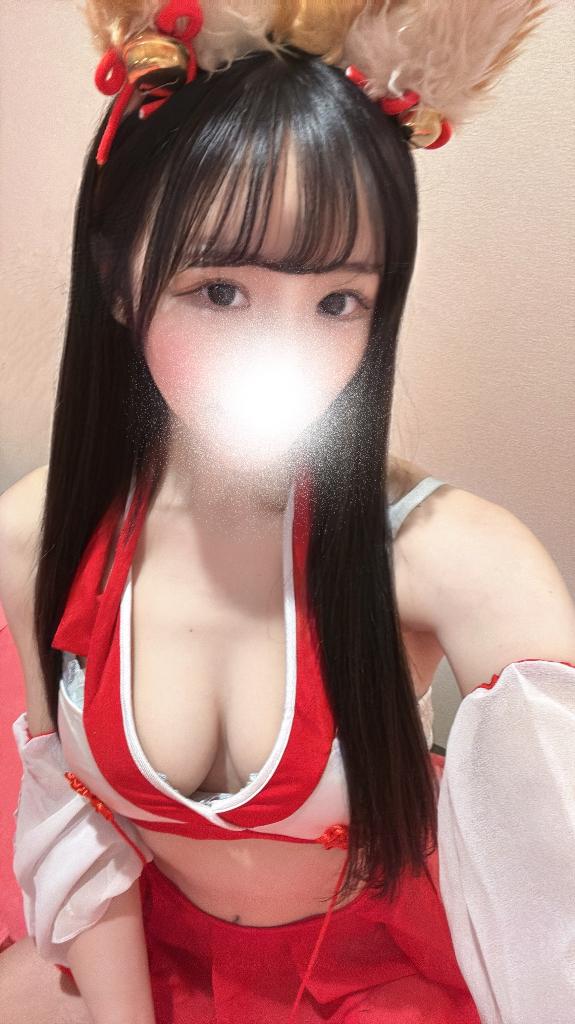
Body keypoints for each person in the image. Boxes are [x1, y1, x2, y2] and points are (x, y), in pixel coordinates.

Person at [1, 2, 575, 1022]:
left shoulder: (452, 560)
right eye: (220, 290)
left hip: (380, 974)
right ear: (120, 281)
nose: (283, 359)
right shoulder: (36, 536)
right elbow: (76, 827)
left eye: (337, 301)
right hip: (161, 967)